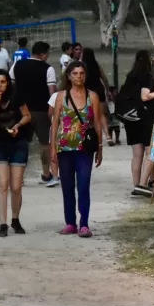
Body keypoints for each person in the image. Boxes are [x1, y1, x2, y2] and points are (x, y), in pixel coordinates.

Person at [50, 61, 103, 237]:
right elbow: (55, 123)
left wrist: (100, 147)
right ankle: (70, 222)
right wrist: (53, 149)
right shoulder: (61, 96)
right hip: (64, 147)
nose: (78, 77)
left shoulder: (92, 96)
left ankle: (84, 223)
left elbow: (96, 123)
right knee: (67, 186)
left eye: (81, 73)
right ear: (69, 76)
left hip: (84, 148)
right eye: (75, 73)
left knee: (83, 185)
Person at [0, 70, 32, 237]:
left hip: (18, 142)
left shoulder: (16, 96)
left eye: (3, 81)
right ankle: (2, 223)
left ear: (8, 82)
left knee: (16, 186)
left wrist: (17, 126)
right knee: (2, 184)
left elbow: (27, 116)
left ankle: (15, 219)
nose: (0, 85)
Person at [10, 41, 58, 186]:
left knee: (21, 143)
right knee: (45, 143)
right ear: (43, 54)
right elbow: (52, 92)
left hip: (21, 110)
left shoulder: (16, 65)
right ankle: (45, 173)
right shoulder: (48, 69)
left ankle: (19, 177)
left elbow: (10, 85)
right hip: (41, 110)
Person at [118, 50, 154, 195]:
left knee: (137, 155)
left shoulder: (130, 77)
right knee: (151, 152)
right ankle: (143, 184)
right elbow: (145, 97)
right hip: (146, 118)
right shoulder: (147, 76)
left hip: (131, 120)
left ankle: (136, 184)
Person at [82, 47, 110, 141]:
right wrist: (108, 90)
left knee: (90, 115)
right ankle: (108, 136)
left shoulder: (82, 66)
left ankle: (95, 136)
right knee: (102, 114)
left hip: (87, 91)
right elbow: (104, 78)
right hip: (99, 89)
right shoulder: (96, 65)